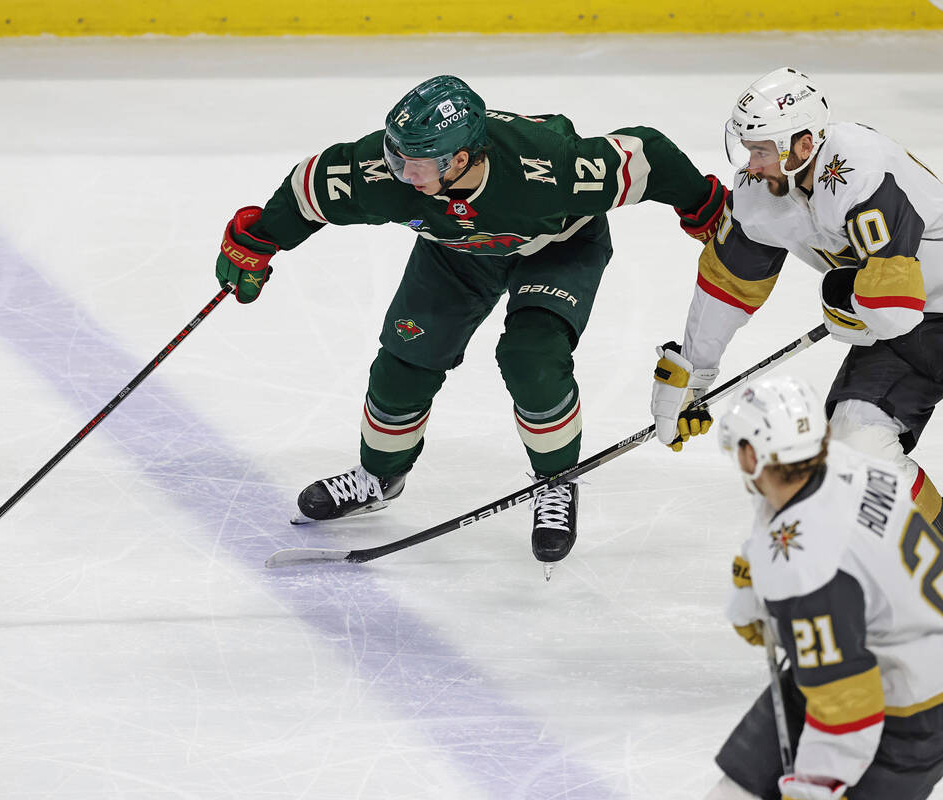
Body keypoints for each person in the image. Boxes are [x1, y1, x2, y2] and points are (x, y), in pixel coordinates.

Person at [217, 75, 725, 567]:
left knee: (533, 358)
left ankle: (555, 482)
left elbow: (649, 156)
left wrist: (704, 207)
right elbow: (310, 188)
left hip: (557, 249)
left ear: (461, 159)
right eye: (395, 155)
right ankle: (379, 477)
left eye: (414, 163)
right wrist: (258, 240)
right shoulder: (384, 171)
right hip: (457, 255)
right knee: (402, 365)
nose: (398, 172)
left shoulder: (551, 166)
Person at [651, 66, 943, 531]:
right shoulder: (759, 193)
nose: (751, 165)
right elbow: (729, 285)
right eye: (749, 149)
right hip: (904, 337)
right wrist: (694, 370)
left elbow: (892, 307)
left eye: (762, 150)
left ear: (805, 144)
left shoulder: (862, 168)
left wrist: (850, 301)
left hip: (910, 315)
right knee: (855, 456)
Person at [705, 375, 943, 800]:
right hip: (871, 651)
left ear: (752, 456)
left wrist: (815, 789)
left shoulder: (810, 571)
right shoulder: (851, 463)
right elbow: (783, 516)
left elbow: (850, 706)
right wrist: (755, 574)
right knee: (735, 789)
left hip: (913, 713)